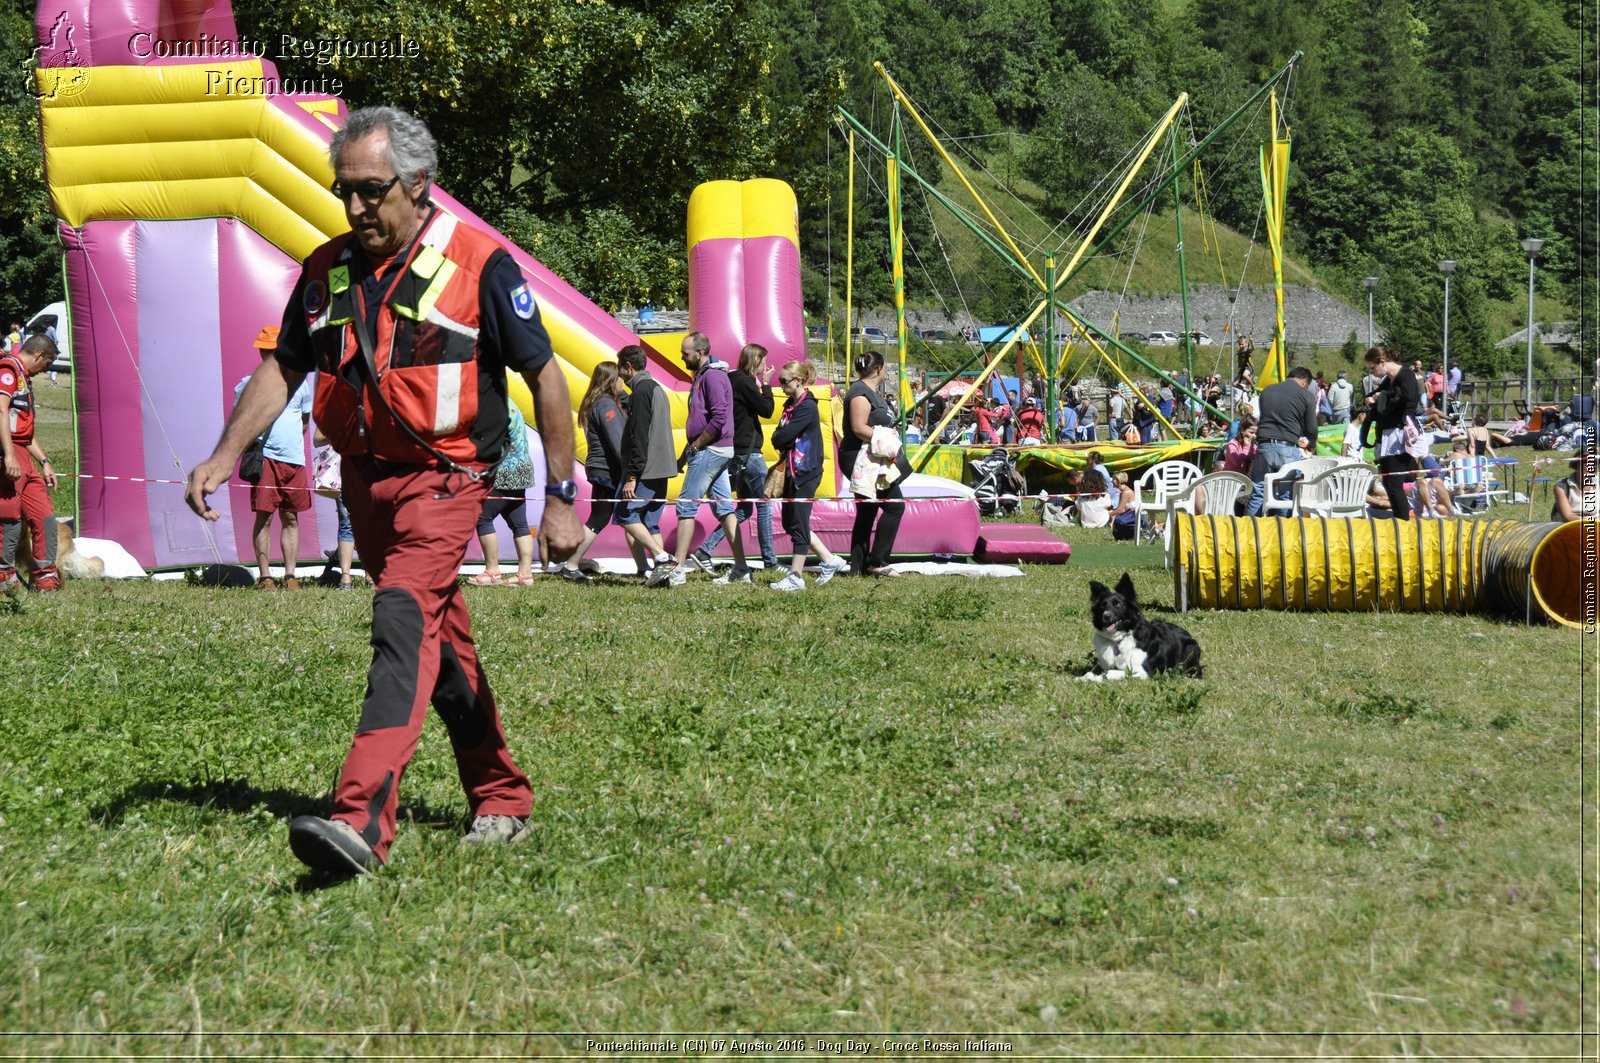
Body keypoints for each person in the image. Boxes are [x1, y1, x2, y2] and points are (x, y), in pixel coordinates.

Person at [185, 106, 580, 875]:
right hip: (367, 485)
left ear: (419, 184)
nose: (358, 207)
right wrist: (224, 450)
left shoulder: (479, 265)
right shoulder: (325, 268)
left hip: (447, 479)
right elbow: (285, 366)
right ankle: (501, 795)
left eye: (373, 189)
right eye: (346, 191)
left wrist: (560, 492)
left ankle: (360, 820)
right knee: (443, 644)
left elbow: (547, 377)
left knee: (400, 620)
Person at [663, 331, 748, 586]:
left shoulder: (712, 377)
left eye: (685, 353)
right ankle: (741, 569)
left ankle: (677, 570)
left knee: (686, 506)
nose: (682, 358)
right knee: (724, 508)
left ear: (700, 352)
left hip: (710, 451)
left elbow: (719, 418)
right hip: (715, 450)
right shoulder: (705, 376)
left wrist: (697, 446)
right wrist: (684, 455)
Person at [690, 343, 780, 574]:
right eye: (763, 362)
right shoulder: (746, 382)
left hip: (734, 453)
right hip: (750, 455)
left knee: (743, 509)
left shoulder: (730, 380)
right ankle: (770, 561)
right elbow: (767, 410)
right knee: (763, 506)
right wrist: (767, 385)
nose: (765, 367)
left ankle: (705, 550)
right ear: (755, 361)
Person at [236, 326, 313, 589]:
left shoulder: (301, 384)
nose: (268, 355)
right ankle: (265, 576)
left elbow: (304, 421)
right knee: (265, 517)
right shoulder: (247, 385)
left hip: (294, 460)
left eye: (273, 350)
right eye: (265, 350)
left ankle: (291, 576)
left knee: (291, 517)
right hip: (265, 459)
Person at [767, 361, 848, 591]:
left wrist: (782, 436)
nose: (780, 385)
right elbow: (777, 437)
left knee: (799, 522)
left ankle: (796, 576)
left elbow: (783, 437)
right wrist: (781, 436)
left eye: (784, 381)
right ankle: (830, 560)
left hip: (806, 471)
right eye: (779, 381)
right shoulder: (790, 405)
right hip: (792, 470)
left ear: (799, 381)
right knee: (790, 522)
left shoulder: (806, 407)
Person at [560, 361, 640, 583]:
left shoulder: (600, 402)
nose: (624, 380)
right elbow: (617, 442)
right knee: (599, 518)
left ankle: (644, 565)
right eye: (620, 377)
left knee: (619, 515)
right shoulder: (605, 406)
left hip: (602, 468)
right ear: (613, 379)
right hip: (608, 470)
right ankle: (571, 565)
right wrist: (630, 472)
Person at [0, 335, 61, 590]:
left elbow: (26, 430)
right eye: (46, 363)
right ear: (38, 355)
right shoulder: (9, 370)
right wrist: (9, 455)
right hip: (9, 452)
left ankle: (45, 576)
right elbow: (1, 411)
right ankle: (4, 576)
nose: (45, 369)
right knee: (9, 515)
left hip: (24, 452)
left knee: (44, 515)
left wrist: (45, 461)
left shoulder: (25, 377)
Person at [841, 351, 908, 576]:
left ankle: (857, 567)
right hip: (859, 458)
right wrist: (887, 440)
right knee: (895, 506)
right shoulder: (860, 393)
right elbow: (859, 428)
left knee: (867, 511)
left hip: (873, 458)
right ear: (879, 369)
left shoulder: (872, 393)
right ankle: (877, 562)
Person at [616, 344, 678, 579]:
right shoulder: (657, 389)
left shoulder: (641, 392)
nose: (620, 376)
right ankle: (662, 574)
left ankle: (662, 557)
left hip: (646, 469)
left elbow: (640, 436)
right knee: (650, 522)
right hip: (662, 468)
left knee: (625, 514)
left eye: (621, 369)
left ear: (629, 367)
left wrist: (632, 476)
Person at [468, 398, 535, 586]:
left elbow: (489, 443)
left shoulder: (492, 406)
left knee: (482, 517)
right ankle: (525, 574)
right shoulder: (511, 403)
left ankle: (492, 571)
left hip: (504, 470)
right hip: (522, 468)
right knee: (519, 522)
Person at [1246, 366, 1319, 516]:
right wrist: (1311, 443)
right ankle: (1282, 535)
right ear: (1305, 382)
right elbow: (1312, 429)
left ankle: (1248, 532)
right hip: (1287, 448)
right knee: (1286, 495)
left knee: (1259, 492)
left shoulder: (1267, 390)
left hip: (1264, 446)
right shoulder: (1306, 396)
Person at [1363, 346, 1423, 521]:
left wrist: (1382, 396)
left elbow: (1405, 397)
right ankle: (1399, 519)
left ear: (1382, 362)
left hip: (1400, 434)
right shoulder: (1388, 380)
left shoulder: (1406, 376)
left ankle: (1402, 522)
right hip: (1387, 433)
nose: (1373, 373)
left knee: (1394, 483)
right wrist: (1371, 397)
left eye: (1373, 368)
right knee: (1389, 483)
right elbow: (1375, 395)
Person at [1552, 446, 1597, 520]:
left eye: (1593, 461)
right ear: (1577, 463)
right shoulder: (1561, 487)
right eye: (1585, 461)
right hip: (1567, 527)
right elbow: (1568, 516)